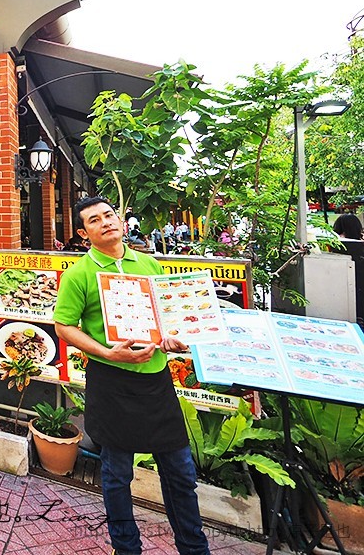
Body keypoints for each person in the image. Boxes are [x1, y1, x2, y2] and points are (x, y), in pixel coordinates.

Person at [53, 196, 210, 555]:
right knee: (116, 476)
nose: (105, 223)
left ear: (121, 221)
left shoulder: (150, 264)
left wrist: (170, 339)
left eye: (109, 215)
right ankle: (126, 549)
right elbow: (63, 326)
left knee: (181, 474)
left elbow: (164, 321)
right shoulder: (79, 274)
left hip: (155, 382)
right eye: (95, 220)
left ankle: (194, 548)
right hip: (111, 383)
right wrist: (108, 352)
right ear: (84, 232)